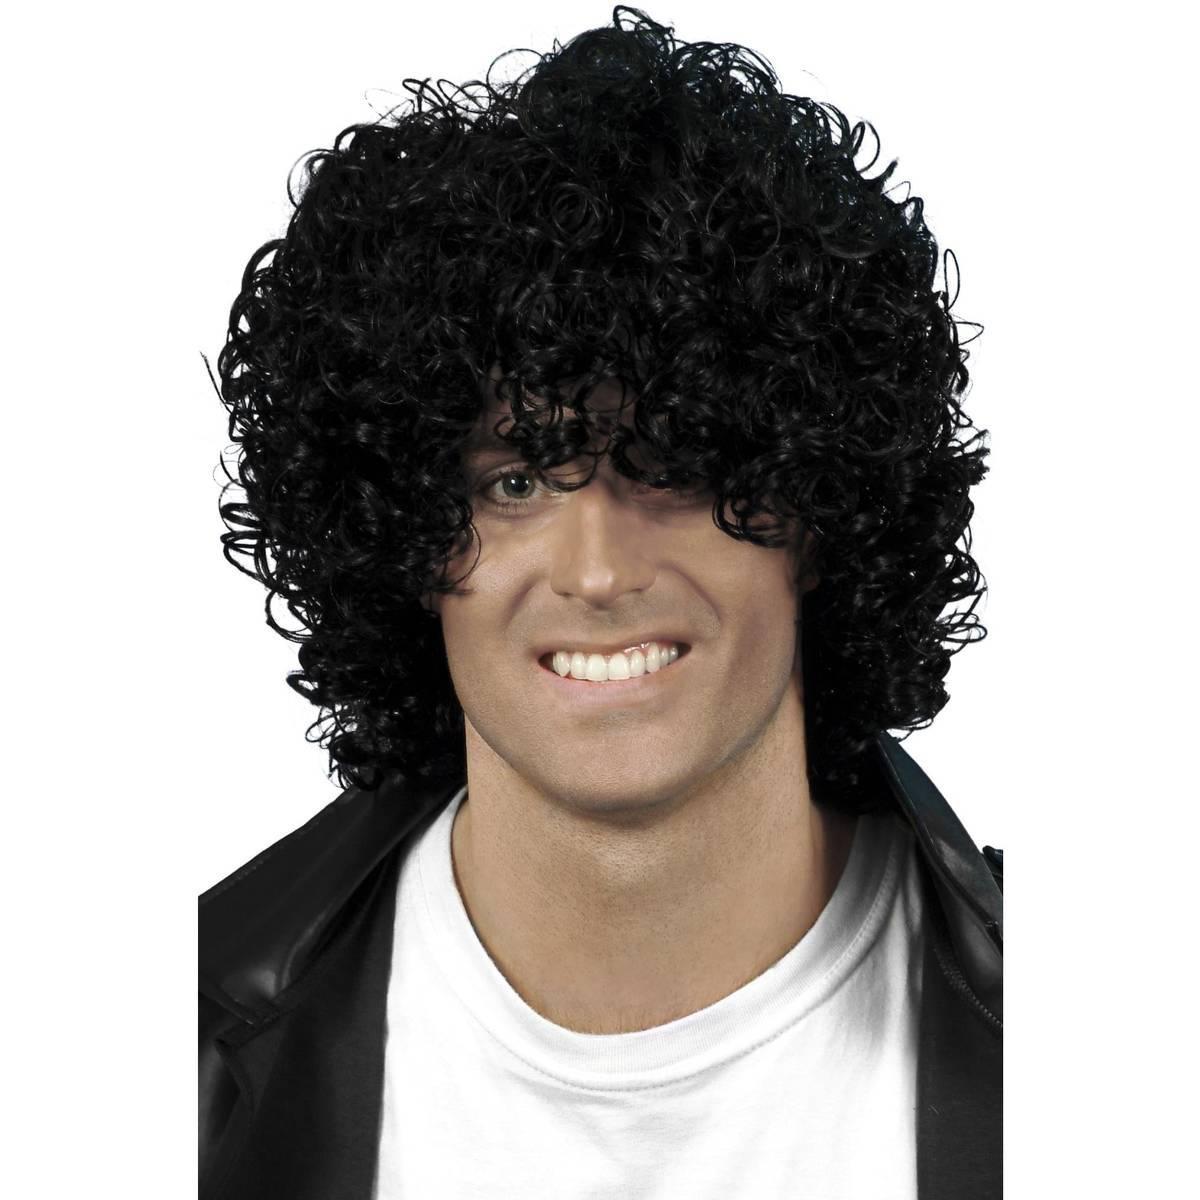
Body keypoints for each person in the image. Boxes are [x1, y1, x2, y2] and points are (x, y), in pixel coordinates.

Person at [199, 7, 1002, 1198]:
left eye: (673, 464)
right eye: (516, 481)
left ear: (822, 511)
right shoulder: (166, 1054)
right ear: (400, 536)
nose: (597, 571)